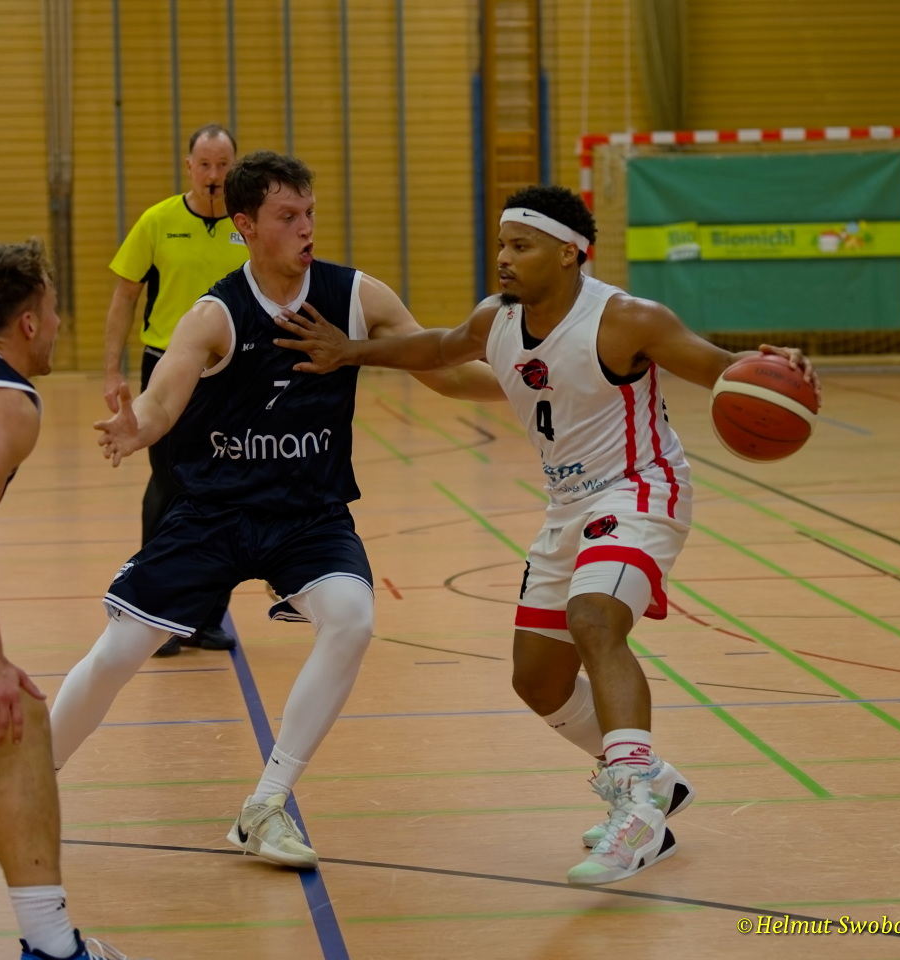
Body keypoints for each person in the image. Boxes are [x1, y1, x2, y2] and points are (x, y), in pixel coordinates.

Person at [273, 184, 821, 886]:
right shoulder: (496, 318)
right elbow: (441, 347)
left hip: (641, 488)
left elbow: (722, 369)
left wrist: (778, 366)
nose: (504, 257)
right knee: (537, 679)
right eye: (503, 244)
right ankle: (653, 776)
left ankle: (637, 811)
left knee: (594, 618)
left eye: (521, 246)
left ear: (569, 254)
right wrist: (349, 352)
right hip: (567, 506)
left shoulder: (627, 320)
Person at [48, 151, 503, 870]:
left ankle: (265, 806)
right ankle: (25, 784)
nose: (306, 227)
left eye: (310, 213)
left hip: (308, 515)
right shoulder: (215, 314)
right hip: (216, 513)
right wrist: (138, 426)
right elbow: (164, 398)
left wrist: (537, 385)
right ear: (247, 225)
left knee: (351, 619)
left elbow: (443, 373)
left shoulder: (356, 296)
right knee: (118, 652)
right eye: (288, 216)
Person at [0, 240, 148, 960]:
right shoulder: (12, 405)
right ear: (29, 322)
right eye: (54, 311)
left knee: (20, 723)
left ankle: (52, 945)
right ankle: (55, 949)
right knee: (15, 722)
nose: (60, 325)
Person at [103, 123, 249, 657]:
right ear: (189, 167)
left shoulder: (248, 224)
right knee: (167, 483)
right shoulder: (158, 221)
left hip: (233, 370)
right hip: (166, 367)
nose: (214, 175)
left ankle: (204, 617)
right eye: (205, 165)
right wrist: (111, 371)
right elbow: (124, 296)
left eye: (223, 165)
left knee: (227, 488)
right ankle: (155, 611)